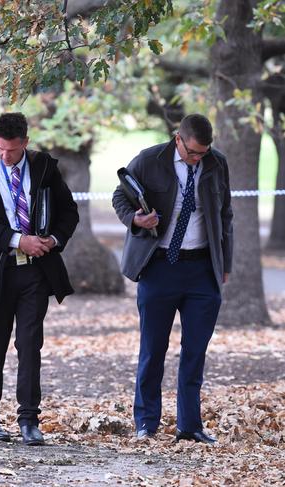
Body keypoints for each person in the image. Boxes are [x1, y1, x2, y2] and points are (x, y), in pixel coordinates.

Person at [0, 112, 79, 446]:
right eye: (0, 149)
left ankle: (29, 420)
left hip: (35, 273)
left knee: (30, 344)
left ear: (25, 142)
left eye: (11, 150)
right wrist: (17, 239)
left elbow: (69, 213)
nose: (5, 156)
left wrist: (52, 240)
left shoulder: (44, 169)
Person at [112, 114, 233, 443]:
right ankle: (146, 424)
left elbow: (225, 215)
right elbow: (120, 196)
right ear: (178, 139)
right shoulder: (150, 160)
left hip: (202, 270)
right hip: (159, 265)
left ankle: (190, 426)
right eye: (193, 152)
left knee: (195, 352)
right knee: (153, 349)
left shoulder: (215, 164)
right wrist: (136, 219)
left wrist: (226, 263)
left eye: (204, 153)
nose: (198, 159)